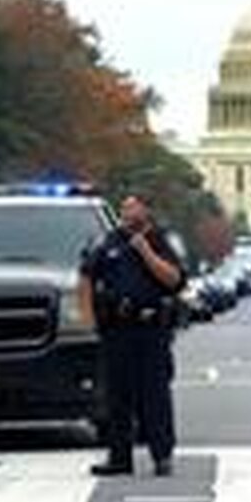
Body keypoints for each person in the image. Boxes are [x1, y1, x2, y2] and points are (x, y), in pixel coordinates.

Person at [81, 194, 186, 477]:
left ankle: (161, 456)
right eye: (124, 207)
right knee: (117, 398)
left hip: (151, 330)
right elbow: (87, 275)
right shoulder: (109, 241)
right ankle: (119, 457)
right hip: (117, 329)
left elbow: (174, 280)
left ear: (146, 210)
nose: (126, 211)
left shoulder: (160, 240)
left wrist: (146, 252)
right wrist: (89, 318)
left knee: (154, 396)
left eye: (132, 206)